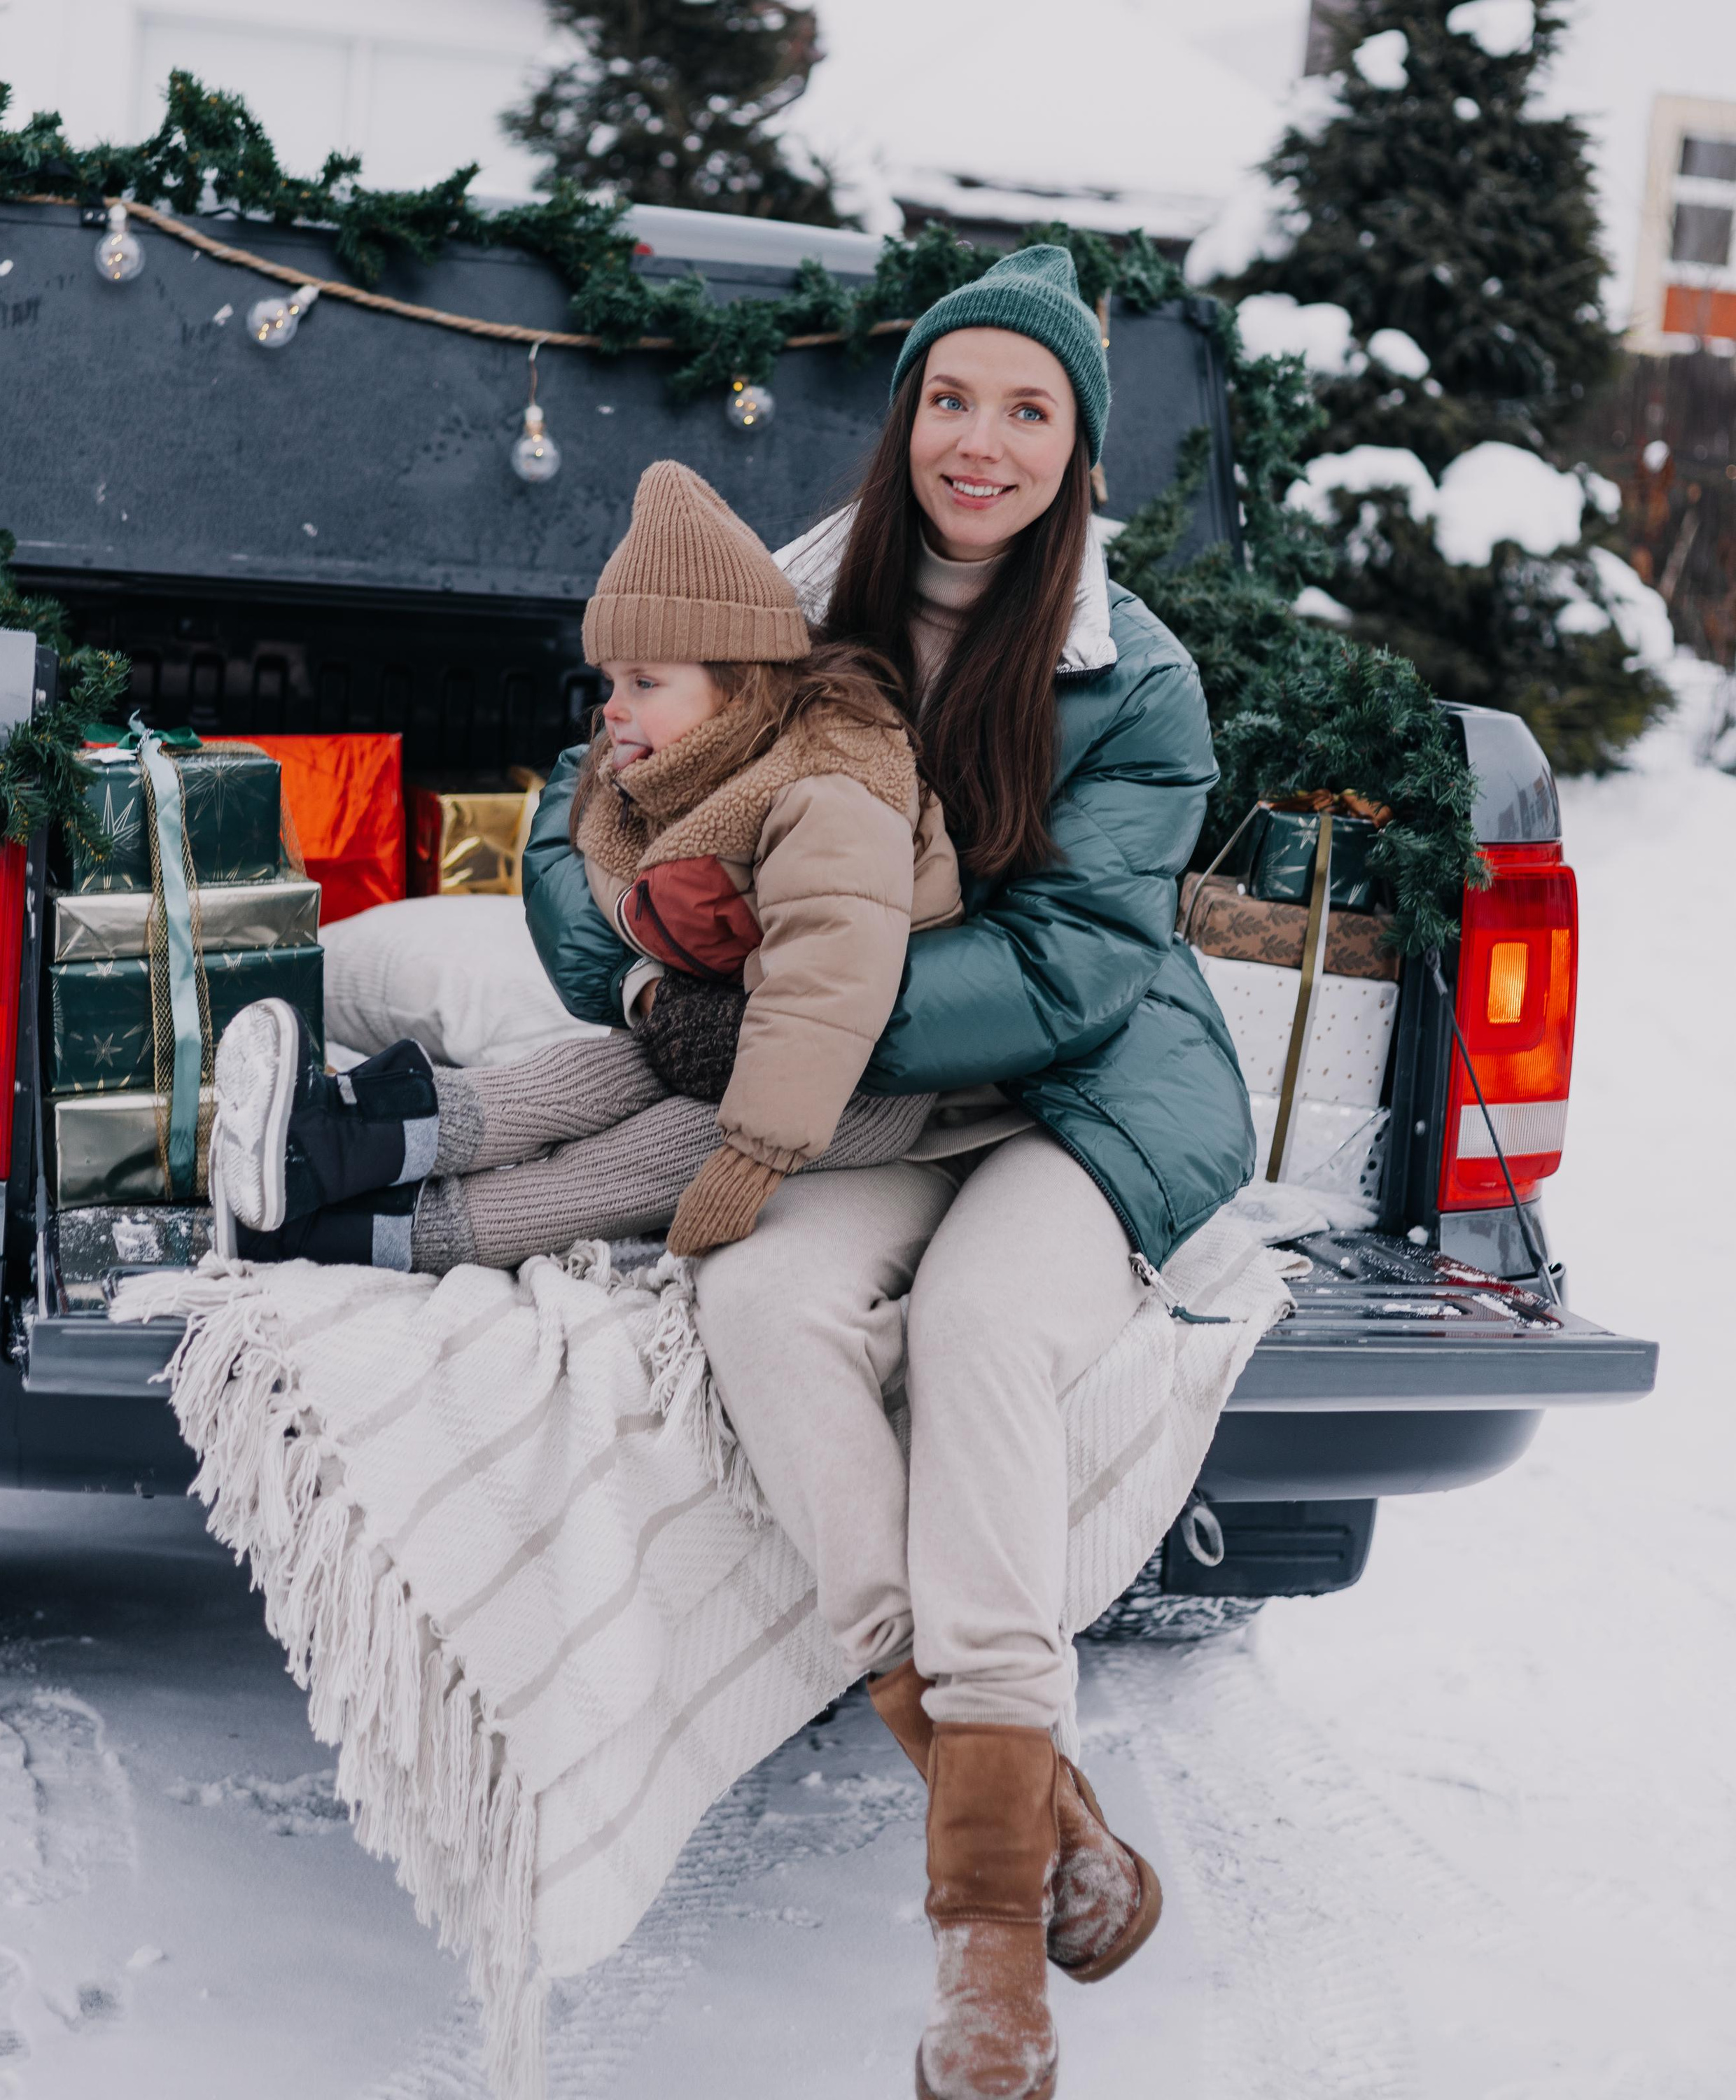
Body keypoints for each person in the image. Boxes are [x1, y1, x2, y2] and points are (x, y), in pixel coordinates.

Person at [526, 245, 1256, 2100]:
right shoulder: (774, 601)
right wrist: (635, 970)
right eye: (951, 398)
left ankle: (985, 1945)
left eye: (1029, 409)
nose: (981, 440)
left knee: (991, 1331)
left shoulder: (1137, 679)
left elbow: (1074, 961)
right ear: (906, 417)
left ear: (1079, 452)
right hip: (875, 1104)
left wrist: (775, 1014)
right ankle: (1023, 1805)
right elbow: (578, 808)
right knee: (764, 1295)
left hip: (1078, 1096)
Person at [206, 461, 958, 1270]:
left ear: (740, 684)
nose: (613, 707)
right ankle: (339, 1135)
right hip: (735, 1029)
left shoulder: (831, 786)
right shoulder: (686, 765)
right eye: (611, 681)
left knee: (636, 1156)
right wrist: (647, 993)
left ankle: (379, 1235)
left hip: (857, 1083)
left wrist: (753, 1159)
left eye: (644, 681)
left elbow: (828, 989)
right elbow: (622, 891)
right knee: (571, 1081)